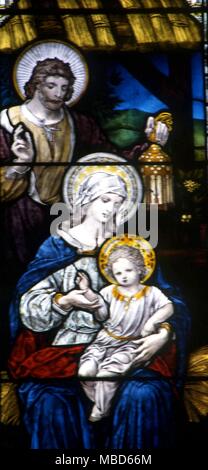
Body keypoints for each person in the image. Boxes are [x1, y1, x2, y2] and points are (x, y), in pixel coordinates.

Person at [8, 158, 191, 449]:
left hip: (130, 345)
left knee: (145, 394)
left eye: (119, 202)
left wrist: (164, 333)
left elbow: (168, 299)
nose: (112, 208)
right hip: (64, 348)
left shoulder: (131, 248)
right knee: (50, 399)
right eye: (105, 199)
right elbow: (28, 309)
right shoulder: (57, 246)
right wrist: (66, 300)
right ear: (85, 198)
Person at [77, 242, 174, 422]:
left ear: (140, 269)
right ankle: (102, 401)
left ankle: (101, 409)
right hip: (104, 341)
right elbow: (101, 314)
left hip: (131, 344)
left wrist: (152, 321)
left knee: (107, 374)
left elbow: (168, 307)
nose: (123, 276)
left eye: (128, 270)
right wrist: (88, 292)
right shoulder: (108, 291)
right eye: (118, 273)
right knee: (85, 372)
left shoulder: (151, 292)